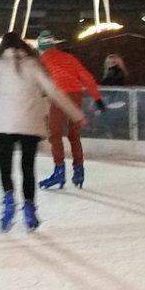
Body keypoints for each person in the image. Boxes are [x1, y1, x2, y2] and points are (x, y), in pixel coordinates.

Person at [0, 32, 87, 233]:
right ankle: (29, 208)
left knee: (5, 168)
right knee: (27, 167)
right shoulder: (33, 63)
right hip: (29, 122)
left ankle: (8, 201)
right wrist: (76, 115)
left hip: (3, 123)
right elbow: (53, 90)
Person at [36, 35, 106, 189]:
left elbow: (39, 81)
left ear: (40, 47)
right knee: (74, 135)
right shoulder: (68, 57)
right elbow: (86, 77)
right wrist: (97, 98)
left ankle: (59, 171)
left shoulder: (42, 60)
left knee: (55, 135)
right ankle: (79, 170)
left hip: (59, 97)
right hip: (76, 95)